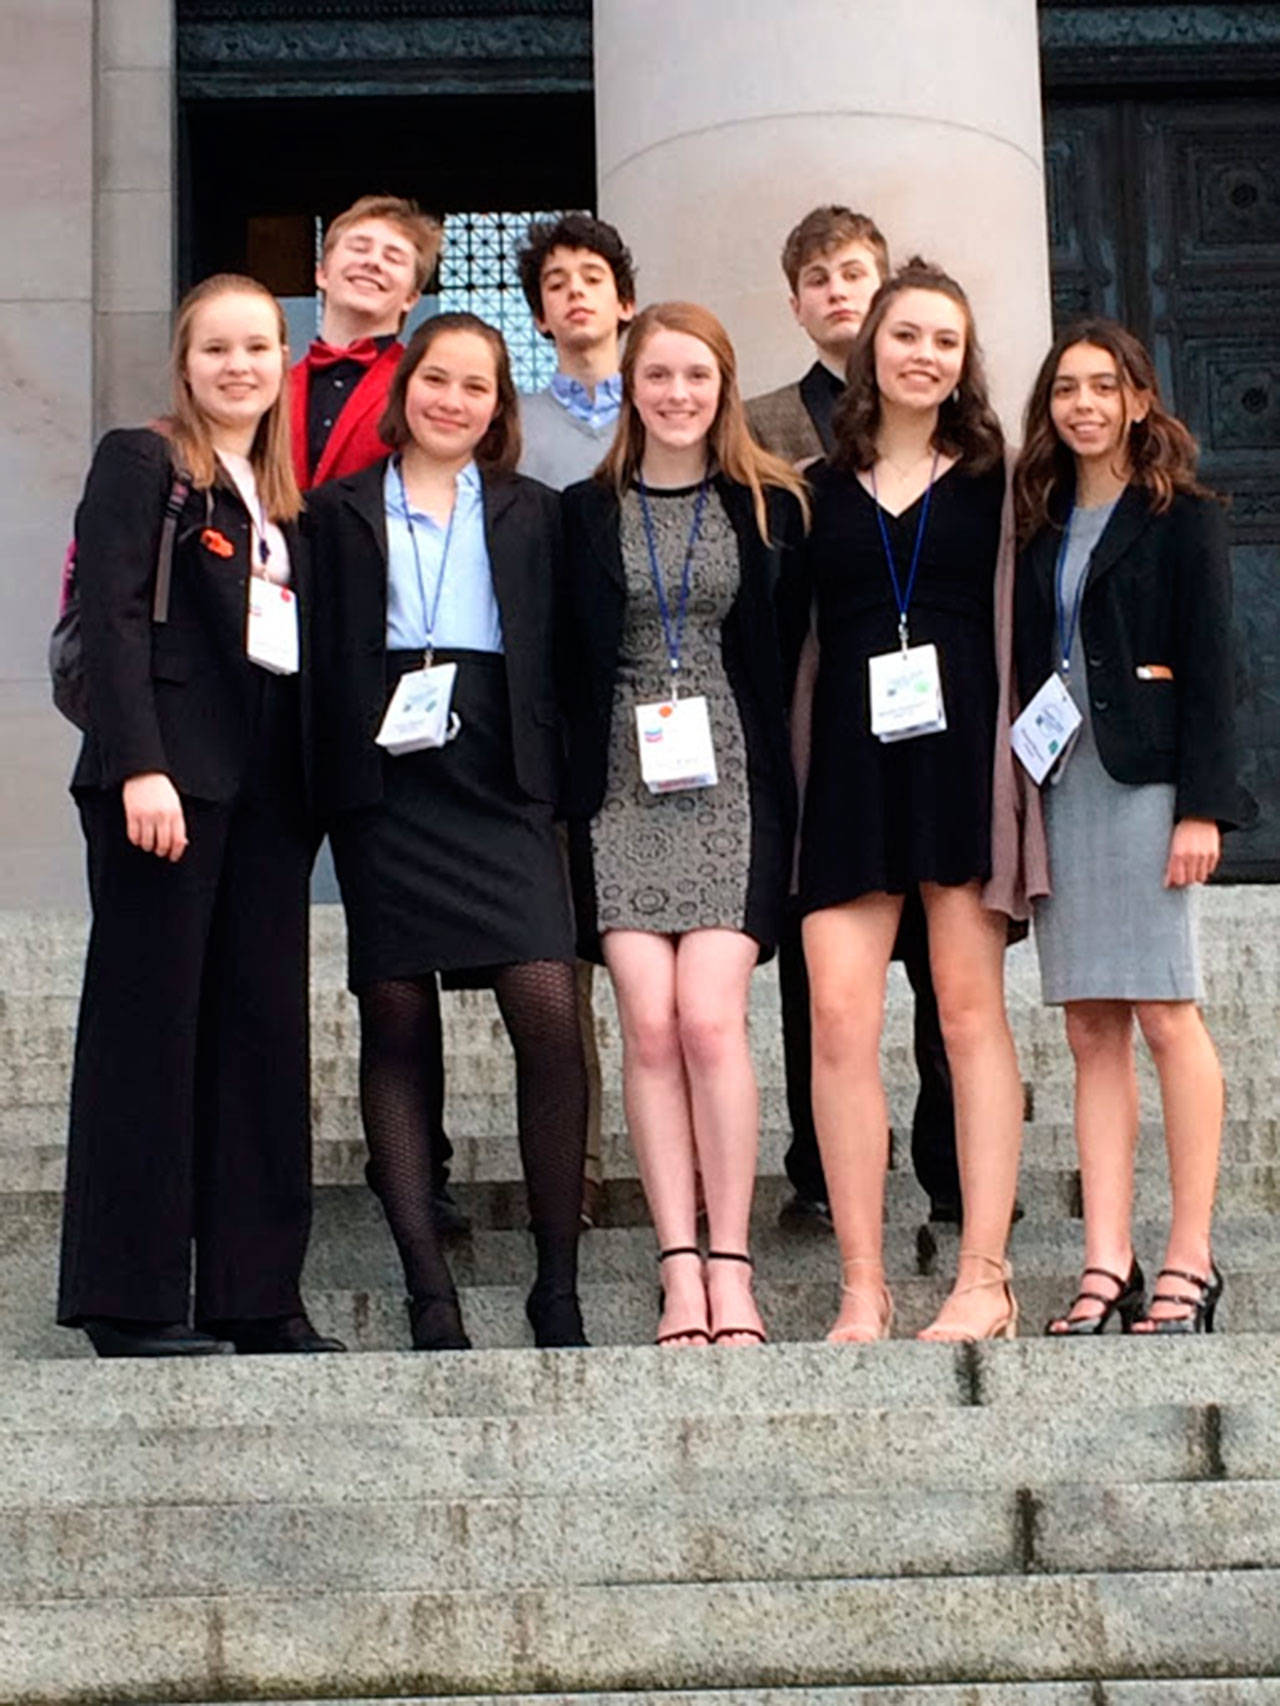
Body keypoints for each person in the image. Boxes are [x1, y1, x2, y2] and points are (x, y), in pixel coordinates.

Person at [57, 274, 343, 1357]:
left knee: (261, 1039)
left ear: (284, 362)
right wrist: (140, 765)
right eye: (217, 348)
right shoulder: (142, 462)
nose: (239, 367)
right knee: (148, 1032)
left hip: (266, 800)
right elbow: (113, 615)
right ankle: (127, 1300)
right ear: (185, 363)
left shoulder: (278, 493)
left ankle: (254, 1294)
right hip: (164, 784)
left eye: (259, 348)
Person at [307, 312, 589, 1351]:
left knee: (549, 1013)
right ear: (404, 386)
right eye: (437, 378)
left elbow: (564, 648)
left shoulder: (536, 511)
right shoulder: (333, 511)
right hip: (383, 778)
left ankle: (554, 1285)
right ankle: (429, 1288)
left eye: (477, 386)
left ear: (498, 406)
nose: (453, 400)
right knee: (395, 1021)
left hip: (501, 770)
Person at [789, 258, 1039, 1344]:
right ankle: (861, 1282)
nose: (922, 353)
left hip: (959, 765)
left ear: (962, 360)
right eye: (905, 335)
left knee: (966, 1013)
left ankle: (982, 1275)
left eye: (944, 339)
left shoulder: (999, 482)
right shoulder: (806, 485)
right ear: (868, 349)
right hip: (844, 766)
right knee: (838, 1019)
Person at [562, 301, 808, 1346]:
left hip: (733, 779)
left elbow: (797, 653)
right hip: (618, 783)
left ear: (722, 383)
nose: (675, 394)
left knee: (709, 1017)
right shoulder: (583, 511)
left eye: (695, 376)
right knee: (647, 1023)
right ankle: (677, 1266)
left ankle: (733, 1263)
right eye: (655, 375)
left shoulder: (771, 504)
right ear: (629, 385)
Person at [1013, 319, 1254, 1335]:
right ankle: (1104, 1261)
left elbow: (1216, 663)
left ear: (1137, 400)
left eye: (1101, 387)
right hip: (1060, 781)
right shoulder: (1031, 516)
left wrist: (1202, 802)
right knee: (1086, 1024)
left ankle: (1187, 1258)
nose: (1081, 404)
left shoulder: (1178, 515)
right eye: (1064, 387)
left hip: (1148, 784)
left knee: (1164, 1012)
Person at [746, 206, 962, 1229]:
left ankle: (951, 1161)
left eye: (855, 274)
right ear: (795, 301)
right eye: (818, 277)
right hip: (824, 722)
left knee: (942, 972)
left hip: (939, 735)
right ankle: (821, 1165)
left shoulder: (954, 428)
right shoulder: (762, 424)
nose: (838, 291)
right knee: (823, 976)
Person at [290, 194, 468, 1237]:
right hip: (257, 680)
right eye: (354, 247)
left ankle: (422, 1165)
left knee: (395, 942)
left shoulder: (425, 389)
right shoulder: (259, 367)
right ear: (321, 270)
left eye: (393, 257)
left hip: (379, 678)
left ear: (412, 292)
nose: (370, 263)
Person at [516, 212, 638, 1226]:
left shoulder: (670, 402)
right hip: (555, 714)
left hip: (661, 709)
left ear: (622, 298)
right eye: (555, 282)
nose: (574, 294)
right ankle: (584, 1156)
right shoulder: (514, 424)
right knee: (565, 944)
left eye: (590, 276)